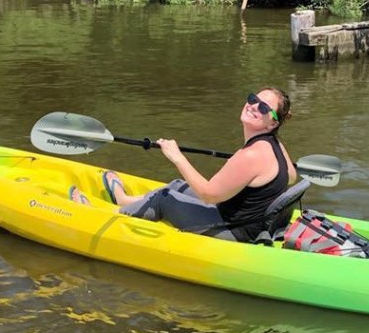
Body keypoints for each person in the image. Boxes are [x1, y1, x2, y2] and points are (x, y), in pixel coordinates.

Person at [69, 88, 297, 242]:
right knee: (178, 185)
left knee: (165, 198)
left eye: (264, 108)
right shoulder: (274, 144)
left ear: (272, 122)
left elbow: (209, 195)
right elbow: (291, 175)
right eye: (252, 99)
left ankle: (106, 213)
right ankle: (125, 200)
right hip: (242, 217)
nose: (254, 106)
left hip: (233, 229)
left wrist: (177, 157)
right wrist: (250, 176)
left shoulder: (250, 155)